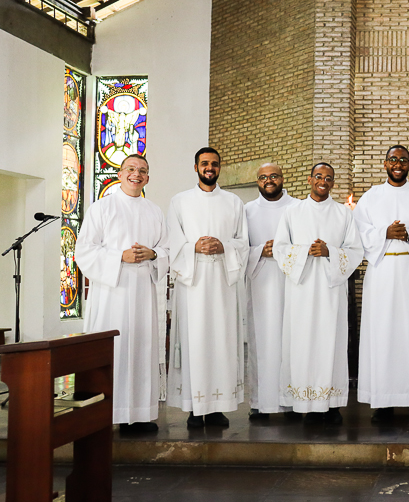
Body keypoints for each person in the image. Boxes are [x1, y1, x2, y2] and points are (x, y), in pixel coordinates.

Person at [76, 153, 168, 433]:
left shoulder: (155, 211)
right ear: (119, 174)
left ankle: (138, 414)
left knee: (141, 348)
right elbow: (84, 251)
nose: (136, 174)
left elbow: (167, 249)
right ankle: (108, 412)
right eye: (131, 168)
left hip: (143, 293)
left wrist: (153, 254)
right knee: (114, 349)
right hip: (112, 293)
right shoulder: (101, 208)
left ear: (147, 178)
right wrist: (119, 257)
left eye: (142, 170)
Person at [273, 162, 363, 425]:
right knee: (302, 343)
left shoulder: (343, 214)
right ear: (310, 179)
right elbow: (280, 248)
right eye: (319, 176)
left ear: (333, 183)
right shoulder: (292, 212)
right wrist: (305, 252)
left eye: (329, 178)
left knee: (331, 342)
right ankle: (305, 404)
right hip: (301, 290)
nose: (323, 181)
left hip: (330, 291)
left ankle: (331, 404)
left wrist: (329, 252)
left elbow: (356, 250)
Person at [166, 147, 249, 429]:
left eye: (214, 164)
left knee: (221, 341)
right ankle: (194, 406)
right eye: (204, 163)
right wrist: (194, 247)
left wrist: (224, 246)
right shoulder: (180, 201)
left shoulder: (234, 202)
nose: (209, 168)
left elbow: (243, 242)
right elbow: (172, 242)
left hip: (223, 282)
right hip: (193, 282)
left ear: (219, 167)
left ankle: (217, 408)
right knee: (194, 341)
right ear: (196, 167)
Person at [354, 145, 409, 424]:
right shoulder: (371, 197)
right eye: (393, 159)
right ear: (385, 163)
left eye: (403, 160)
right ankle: (383, 401)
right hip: (382, 270)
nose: (398, 164)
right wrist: (385, 233)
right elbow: (357, 232)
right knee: (382, 332)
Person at [244, 162, 295, 421]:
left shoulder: (297, 207)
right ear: (257, 181)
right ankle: (260, 402)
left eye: (274, 176)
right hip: (261, 282)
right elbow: (239, 247)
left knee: (291, 342)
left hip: (292, 283)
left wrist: (284, 250)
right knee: (261, 342)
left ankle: (292, 402)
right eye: (263, 177)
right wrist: (259, 251)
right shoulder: (247, 211)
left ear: (283, 178)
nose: (269, 180)